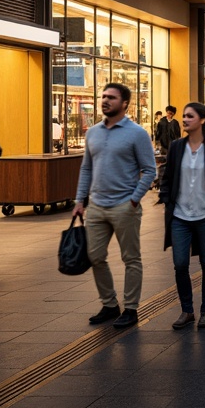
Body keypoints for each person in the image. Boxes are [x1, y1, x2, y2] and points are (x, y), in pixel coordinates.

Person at [73, 83, 156, 328]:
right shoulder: (93, 132)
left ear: (124, 103)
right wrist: (80, 200)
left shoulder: (137, 133)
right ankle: (110, 304)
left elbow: (150, 169)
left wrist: (134, 199)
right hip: (96, 206)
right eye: (104, 96)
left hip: (124, 206)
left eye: (111, 97)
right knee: (95, 256)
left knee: (131, 258)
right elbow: (86, 168)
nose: (105, 100)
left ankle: (130, 308)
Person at [159, 102, 205, 331]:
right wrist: (167, 201)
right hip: (180, 216)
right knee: (180, 264)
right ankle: (187, 310)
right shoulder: (177, 147)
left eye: (189, 116)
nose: (184, 119)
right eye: (184, 115)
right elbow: (167, 177)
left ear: (202, 120)